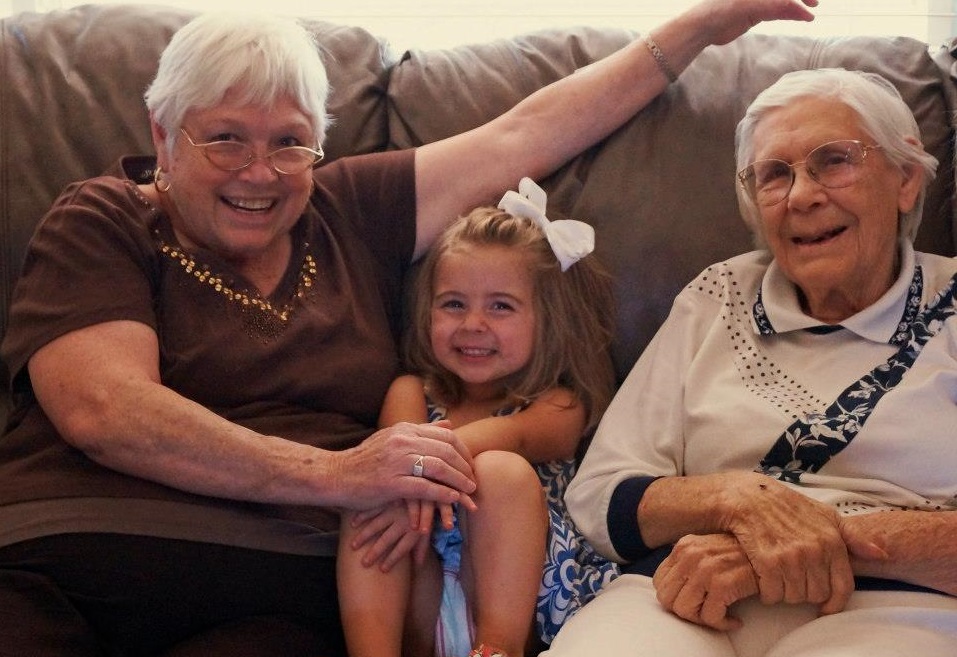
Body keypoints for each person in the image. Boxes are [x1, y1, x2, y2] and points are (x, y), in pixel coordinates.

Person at [0, 1, 820, 655]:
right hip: (70, 559)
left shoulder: (349, 210)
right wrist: (336, 474)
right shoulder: (106, 218)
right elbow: (106, 410)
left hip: (279, 595)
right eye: (224, 140)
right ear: (162, 135)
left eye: (289, 143)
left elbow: (526, 134)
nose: (260, 172)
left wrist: (704, 23)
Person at [543, 67, 957, 657]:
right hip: (688, 593)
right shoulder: (718, 296)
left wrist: (818, 542)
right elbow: (599, 496)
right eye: (775, 174)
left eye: (834, 161)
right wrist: (732, 498)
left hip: (897, 601)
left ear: (906, 179)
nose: (801, 196)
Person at [337, 179, 619, 657]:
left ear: (547, 319)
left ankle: (495, 651)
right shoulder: (411, 392)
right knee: (373, 493)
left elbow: (514, 438)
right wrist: (402, 481)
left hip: (519, 602)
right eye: (453, 304)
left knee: (497, 471)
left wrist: (423, 470)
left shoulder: (558, 403)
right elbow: (393, 465)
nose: (472, 325)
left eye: (500, 307)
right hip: (422, 596)